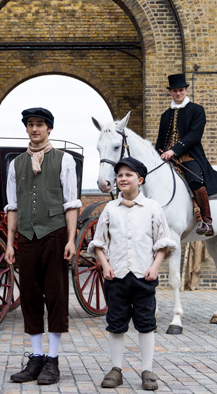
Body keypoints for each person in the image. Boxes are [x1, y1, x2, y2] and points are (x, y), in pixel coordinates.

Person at [4, 107, 82, 385]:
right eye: (30, 124)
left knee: (57, 294)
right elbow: (12, 206)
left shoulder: (65, 160)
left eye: (40, 124)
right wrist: (11, 242)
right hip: (25, 236)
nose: (35, 129)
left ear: (50, 129)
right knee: (30, 296)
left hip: (55, 235)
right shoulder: (15, 164)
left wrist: (71, 239)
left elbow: (71, 204)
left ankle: (53, 359)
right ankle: (36, 358)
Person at [88, 157, 177, 391]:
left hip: (143, 276)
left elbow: (163, 242)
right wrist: (105, 264)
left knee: (146, 323)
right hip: (115, 277)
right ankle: (116, 369)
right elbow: (98, 242)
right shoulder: (109, 209)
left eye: (128, 175)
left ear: (140, 179)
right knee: (116, 323)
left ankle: (147, 369)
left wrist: (155, 267)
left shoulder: (152, 208)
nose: (123, 179)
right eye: (119, 176)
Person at [154, 73, 217, 236]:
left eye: (181, 90)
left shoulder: (196, 110)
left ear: (186, 90)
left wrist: (174, 150)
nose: (178, 94)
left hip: (189, 156)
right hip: (166, 158)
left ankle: (207, 221)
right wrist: (158, 153)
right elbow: (160, 140)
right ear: (170, 92)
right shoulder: (165, 115)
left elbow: (194, 135)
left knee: (195, 180)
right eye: (175, 91)